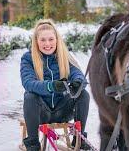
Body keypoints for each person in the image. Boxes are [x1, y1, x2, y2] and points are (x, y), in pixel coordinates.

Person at [20, 19, 91, 151]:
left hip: (62, 110)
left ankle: (79, 139)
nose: (47, 44)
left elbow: (78, 74)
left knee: (83, 94)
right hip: (41, 113)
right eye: (43, 40)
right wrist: (51, 86)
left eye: (51, 39)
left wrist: (77, 83)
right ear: (36, 41)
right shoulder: (28, 58)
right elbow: (28, 82)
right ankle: (34, 144)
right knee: (29, 96)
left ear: (57, 40)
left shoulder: (64, 56)